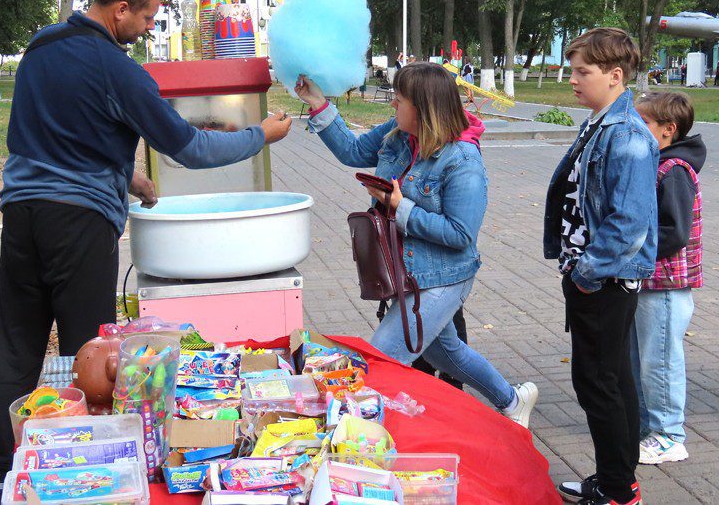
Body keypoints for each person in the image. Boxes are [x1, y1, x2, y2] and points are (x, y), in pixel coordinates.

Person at [0, 0, 292, 505]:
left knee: (15, 347)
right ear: (120, 9)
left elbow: (58, 135)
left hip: (22, 215)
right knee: (91, 353)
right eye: (146, 18)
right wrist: (259, 135)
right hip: (79, 225)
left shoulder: (41, 48)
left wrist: (127, 178)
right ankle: (83, 476)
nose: (147, 29)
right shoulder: (117, 69)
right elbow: (191, 148)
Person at [295, 63, 538, 428]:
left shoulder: (462, 160)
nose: (392, 104)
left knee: (381, 360)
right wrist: (317, 102)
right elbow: (352, 151)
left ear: (423, 108)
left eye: (399, 99)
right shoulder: (398, 134)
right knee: (447, 354)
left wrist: (399, 207)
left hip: (443, 277)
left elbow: (460, 234)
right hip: (408, 271)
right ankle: (514, 400)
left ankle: (356, 437)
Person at [546, 28, 658, 505]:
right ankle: (619, 480)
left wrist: (585, 274)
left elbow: (629, 224)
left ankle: (618, 490)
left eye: (582, 72)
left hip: (603, 280)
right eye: (572, 70)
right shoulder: (601, 122)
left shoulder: (627, 135)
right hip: (596, 276)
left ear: (615, 75)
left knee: (597, 383)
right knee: (613, 379)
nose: (572, 79)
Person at [631, 92, 705, 465]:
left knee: (659, 361)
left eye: (643, 122)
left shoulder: (673, 170)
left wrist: (631, 250)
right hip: (649, 281)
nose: (635, 128)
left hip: (664, 286)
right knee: (643, 360)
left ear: (668, 129)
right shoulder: (657, 162)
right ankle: (648, 427)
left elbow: (673, 232)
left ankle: (669, 435)